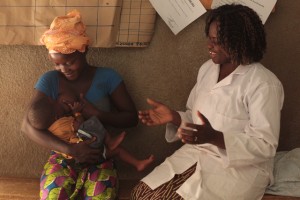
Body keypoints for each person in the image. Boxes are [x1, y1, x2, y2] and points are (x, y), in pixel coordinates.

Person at [131, 4, 284, 200]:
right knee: (141, 194)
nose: (209, 46)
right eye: (209, 39)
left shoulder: (263, 83)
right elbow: (195, 118)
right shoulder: (207, 69)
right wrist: (175, 117)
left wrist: (215, 137)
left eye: (217, 41)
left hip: (239, 168)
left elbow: (266, 145)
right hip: (196, 154)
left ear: (240, 42)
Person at [21, 10, 138, 199]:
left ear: (84, 51)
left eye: (70, 62)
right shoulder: (51, 80)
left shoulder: (108, 77)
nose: (64, 69)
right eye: (57, 64)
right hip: (63, 154)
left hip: (99, 155)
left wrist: (97, 114)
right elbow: (27, 125)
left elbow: (131, 118)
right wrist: (71, 150)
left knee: (100, 196)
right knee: (54, 196)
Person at [28, 92, 154, 170]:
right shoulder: (61, 124)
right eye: (59, 106)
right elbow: (80, 124)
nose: (60, 104)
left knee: (117, 151)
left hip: (77, 160)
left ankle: (138, 164)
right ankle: (109, 141)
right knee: (92, 122)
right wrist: (77, 112)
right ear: (56, 116)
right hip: (90, 150)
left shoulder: (51, 129)